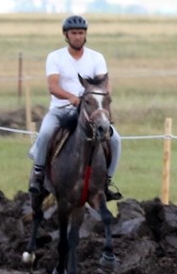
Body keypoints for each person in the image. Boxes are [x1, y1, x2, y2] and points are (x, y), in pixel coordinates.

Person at [28, 15, 122, 200]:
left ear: (86, 34)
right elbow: (53, 86)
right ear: (66, 35)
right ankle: (38, 175)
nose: (78, 36)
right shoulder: (55, 57)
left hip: (90, 112)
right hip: (61, 109)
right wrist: (71, 98)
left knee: (116, 141)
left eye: (81, 33)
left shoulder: (96, 58)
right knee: (46, 133)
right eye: (74, 33)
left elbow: (105, 84)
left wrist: (98, 103)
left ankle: (106, 182)